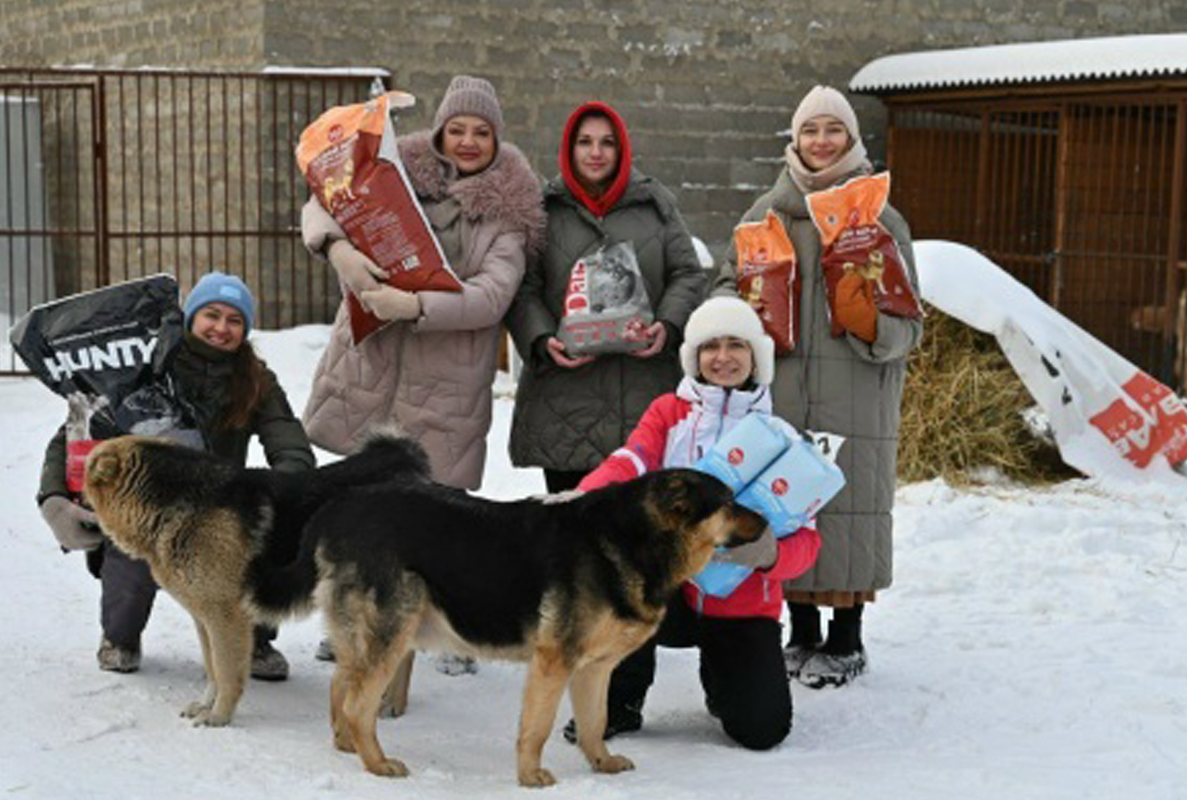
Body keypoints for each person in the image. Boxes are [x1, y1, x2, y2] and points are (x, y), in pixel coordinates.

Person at [300, 75, 545, 673]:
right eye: (456, 129)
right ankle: (353, 615)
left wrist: (415, 307)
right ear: (438, 131)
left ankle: (450, 625)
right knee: (358, 500)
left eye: (480, 132)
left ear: (496, 138)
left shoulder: (509, 214)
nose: (466, 141)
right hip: (372, 360)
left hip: (445, 382)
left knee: (438, 514)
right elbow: (323, 201)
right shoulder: (393, 172)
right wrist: (338, 250)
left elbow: (492, 296)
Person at [713, 85, 923, 689]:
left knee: (847, 505)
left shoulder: (879, 219)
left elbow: (910, 328)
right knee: (785, 499)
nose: (821, 141)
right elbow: (724, 285)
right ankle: (800, 632)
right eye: (811, 130)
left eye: (834, 130)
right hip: (779, 391)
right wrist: (737, 308)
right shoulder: (762, 217)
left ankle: (847, 637)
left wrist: (870, 321)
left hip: (857, 387)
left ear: (852, 140)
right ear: (794, 140)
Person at [560, 297, 821, 750]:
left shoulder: (781, 437)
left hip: (739, 604)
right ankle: (617, 700)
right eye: (710, 346)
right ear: (694, 357)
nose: (722, 358)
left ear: (755, 356)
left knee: (762, 730)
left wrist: (771, 554)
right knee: (615, 583)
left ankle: (724, 679)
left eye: (736, 345)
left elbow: (809, 539)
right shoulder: (669, 413)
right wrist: (584, 497)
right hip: (663, 589)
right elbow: (632, 459)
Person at [37, 272, 316, 678]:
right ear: (191, 318)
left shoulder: (256, 379)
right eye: (211, 315)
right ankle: (120, 636)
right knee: (129, 559)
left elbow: (288, 441)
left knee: (262, 543)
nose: (221, 328)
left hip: (222, 506)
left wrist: (285, 490)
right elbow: (75, 434)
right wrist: (54, 498)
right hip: (150, 506)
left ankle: (253, 640)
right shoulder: (143, 367)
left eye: (234, 320)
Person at [508, 101, 707, 492]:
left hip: (643, 393)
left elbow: (687, 273)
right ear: (569, 149)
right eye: (585, 142)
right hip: (565, 404)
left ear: (622, 150)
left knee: (642, 540)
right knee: (573, 536)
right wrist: (542, 338)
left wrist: (667, 326)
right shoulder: (542, 212)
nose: (595, 153)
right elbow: (523, 287)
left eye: (606, 143)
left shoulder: (656, 207)